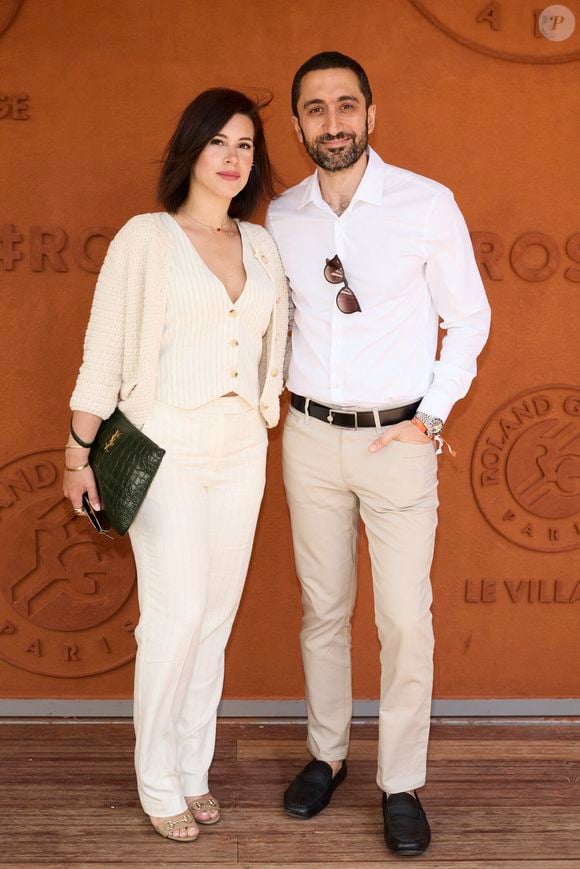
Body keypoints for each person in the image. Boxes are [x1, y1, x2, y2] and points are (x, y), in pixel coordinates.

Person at [266, 52, 490, 857]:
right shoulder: (281, 217)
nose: (333, 122)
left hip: (399, 440)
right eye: (315, 109)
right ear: (296, 125)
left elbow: (469, 317)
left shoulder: (427, 204)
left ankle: (401, 781)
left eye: (346, 104)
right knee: (322, 610)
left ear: (371, 114)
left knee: (403, 618)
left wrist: (431, 416)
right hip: (311, 438)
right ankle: (327, 755)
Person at [64, 88, 288, 842]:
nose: (233, 158)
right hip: (166, 446)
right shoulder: (146, 238)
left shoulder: (261, 245)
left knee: (214, 619)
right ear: (190, 149)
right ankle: (156, 775)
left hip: (242, 447)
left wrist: (267, 407)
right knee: (177, 613)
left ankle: (194, 769)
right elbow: (104, 350)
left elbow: (267, 347)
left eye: (247, 145)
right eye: (219, 141)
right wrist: (78, 449)